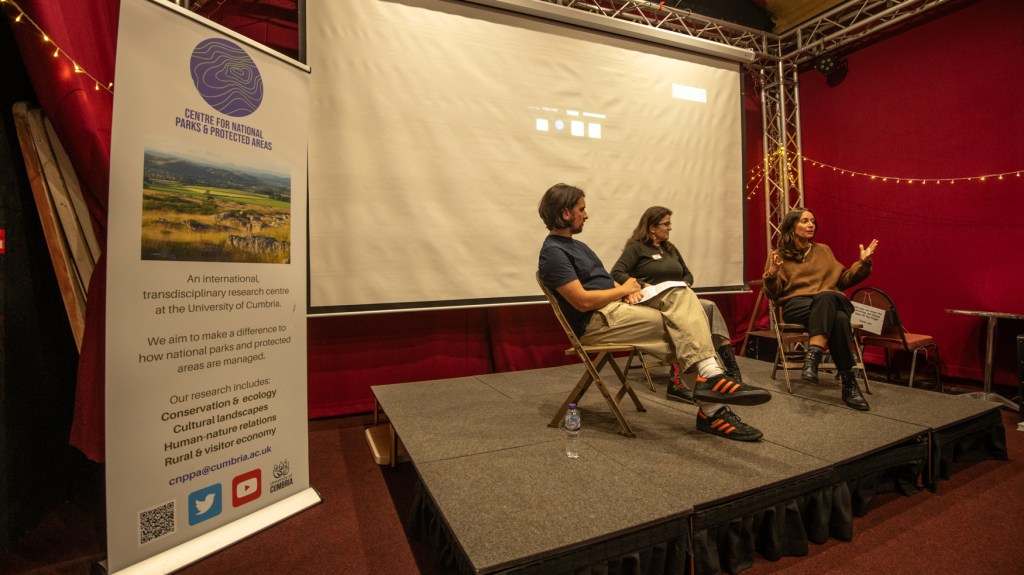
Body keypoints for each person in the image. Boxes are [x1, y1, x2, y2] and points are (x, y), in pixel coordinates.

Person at [537, 183, 771, 441]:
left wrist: (625, 292)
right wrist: (622, 290)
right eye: (581, 209)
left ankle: (712, 386)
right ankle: (712, 405)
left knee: (681, 294)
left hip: (616, 308)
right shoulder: (553, 253)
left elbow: (604, 281)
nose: (587, 214)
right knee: (681, 327)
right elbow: (581, 301)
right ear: (566, 213)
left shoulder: (578, 246)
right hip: (596, 322)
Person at [611, 206, 743, 404]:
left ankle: (731, 370)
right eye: (666, 224)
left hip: (679, 297)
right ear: (652, 227)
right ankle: (679, 380)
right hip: (652, 301)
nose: (670, 228)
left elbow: (687, 273)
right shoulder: (636, 248)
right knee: (685, 315)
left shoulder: (670, 249)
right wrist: (642, 284)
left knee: (710, 306)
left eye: (669, 223)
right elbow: (616, 273)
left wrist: (685, 284)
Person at [762, 208, 878, 411]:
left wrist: (862, 263)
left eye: (813, 221)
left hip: (827, 303)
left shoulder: (823, 250)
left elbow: (842, 281)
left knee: (833, 306)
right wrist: (772, 274)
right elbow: (773, 294)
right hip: (797, 306)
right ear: (791, 226)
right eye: (805, 221)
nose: (811, 225)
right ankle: (849, 384)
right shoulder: (779, 256)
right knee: (837, 313)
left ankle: (814, 357)